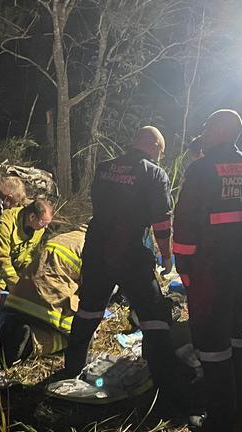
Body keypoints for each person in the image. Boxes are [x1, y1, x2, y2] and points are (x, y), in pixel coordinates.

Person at [56, 126, 180, 413]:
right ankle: (164, 382)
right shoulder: (153, 173)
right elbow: (162, 221)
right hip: (131, 250)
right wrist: (167, 255)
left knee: (89, 309)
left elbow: (100, 205)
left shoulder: (104, 167)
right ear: (153, 147)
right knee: (153, 315)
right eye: (160, 151)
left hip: (97, 246)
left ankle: (71, 368)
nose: (160, 157)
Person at [173, 109, 242, 432]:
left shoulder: (202, 170)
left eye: (207, 125)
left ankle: (219, 422)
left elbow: (185, 225)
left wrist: (183, 268)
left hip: (212, 269)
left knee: (210, 341)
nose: (202, 131)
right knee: (234, 333)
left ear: (220, 131)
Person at [1, 224, 87, 365]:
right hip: (45, 305)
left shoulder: (65, 237)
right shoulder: (91, 245)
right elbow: (92, 287)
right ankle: (31, 343)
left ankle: (13, 330)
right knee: (80, 333)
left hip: (17, 298)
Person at [0, 199, 53, 291]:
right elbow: (1, 257)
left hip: (14, 276)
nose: (45, 227)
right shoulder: (6, 223)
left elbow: (29, 256)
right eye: (43, 223)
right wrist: (17, 284)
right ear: (32, 217)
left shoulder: (39, 230)